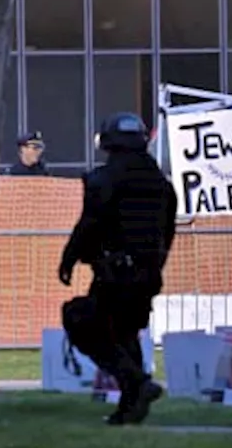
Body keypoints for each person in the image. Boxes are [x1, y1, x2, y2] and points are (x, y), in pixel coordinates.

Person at [59, 112, 176, 426]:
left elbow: (90, 223)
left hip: (116, 271)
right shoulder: (161, 184)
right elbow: (167, 232)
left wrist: (69, 258)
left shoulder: (104, 179)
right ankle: (130, 407)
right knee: (125, 334)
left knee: (82, 321)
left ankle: (136, 382)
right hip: (148, 273)